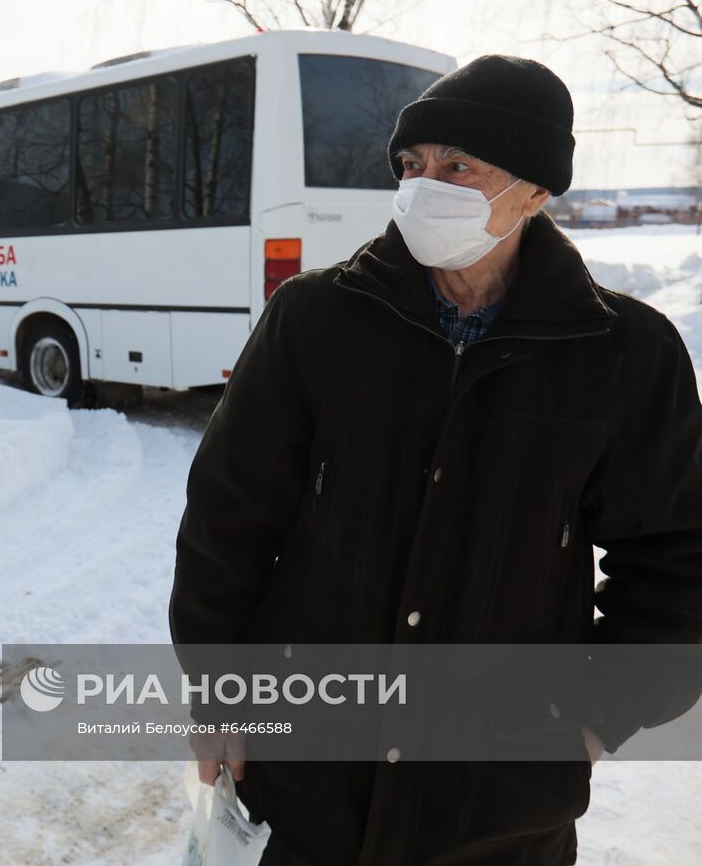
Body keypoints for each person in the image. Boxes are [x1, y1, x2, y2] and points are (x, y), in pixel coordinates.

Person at [172, 55, 702, 864]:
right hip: (309, 782)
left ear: (535, 191)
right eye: (413, 166)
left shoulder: (625, 353)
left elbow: (677, 559)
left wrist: (596, 721)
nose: (426, 187)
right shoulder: (314, 319)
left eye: (459, 166)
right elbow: (227, 524)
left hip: (498, 811)